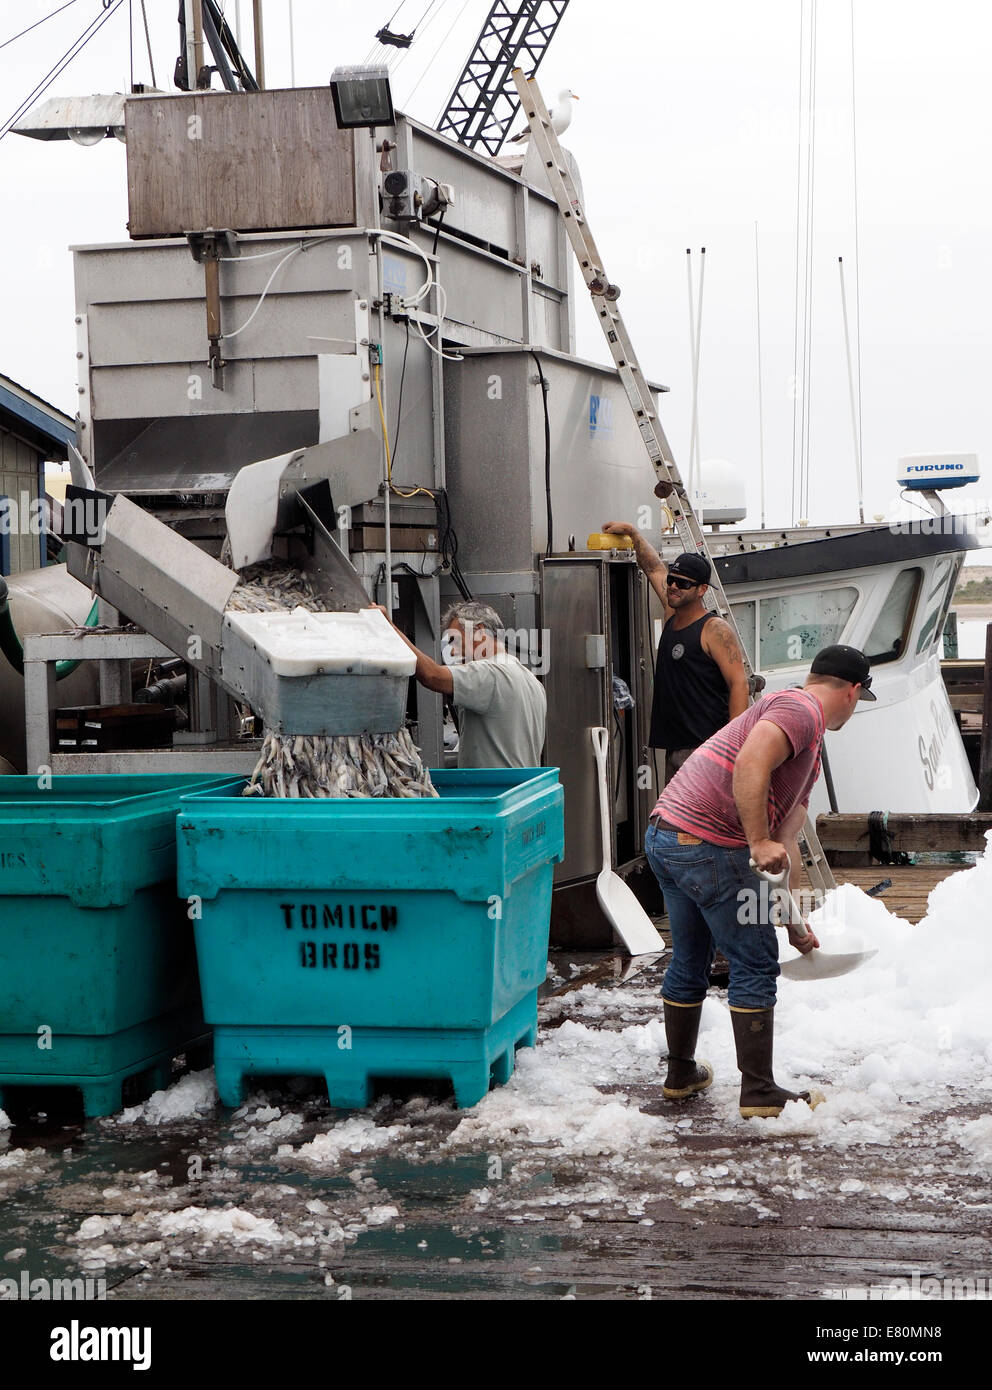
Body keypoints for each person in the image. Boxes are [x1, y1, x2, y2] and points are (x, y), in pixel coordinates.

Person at [644, 644, 876, 1118]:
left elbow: (785, 846)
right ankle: (759, 1092)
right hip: (709, 843)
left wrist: (794, 923)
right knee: (754, 962)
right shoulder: (801, 709)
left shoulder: (806, 750)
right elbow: (751, 764)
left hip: (669, 838)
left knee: (692, 956)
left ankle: (681, 1075)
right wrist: (754, 840)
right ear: (853, 691)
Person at [601, 524, 749, 782]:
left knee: (698, 821)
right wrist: (634, 535)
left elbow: (739, 684)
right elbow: (654, 568)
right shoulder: (672, 615)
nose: (673, 586)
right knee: (676, 821)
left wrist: (731, 746)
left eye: (683, 583)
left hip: (705, 749)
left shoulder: (713, 629)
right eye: (672, 579)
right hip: (676, 749)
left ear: (702, 590)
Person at [376, 599, 546, 769]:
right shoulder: (532, 681)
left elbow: (432, 676)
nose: (453, 652)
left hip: (494, 791)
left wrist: (389, 627)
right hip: (524, 790)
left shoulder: (492, 673)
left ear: (479, 632)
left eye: (455, 641)